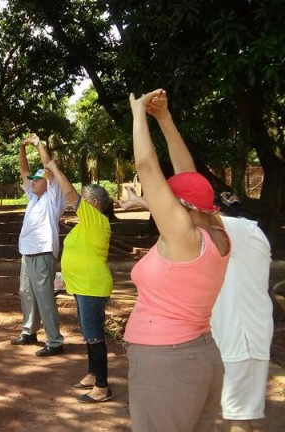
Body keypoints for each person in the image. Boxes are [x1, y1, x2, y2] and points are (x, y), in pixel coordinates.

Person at [125, 89, 230, 431]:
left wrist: (138, 113)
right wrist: (165, 119)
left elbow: (146, 165)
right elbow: (190, 176)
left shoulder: (183, 238)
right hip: (201, 356)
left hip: (167, 361)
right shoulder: (216, 232)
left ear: (180, 207)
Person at [44, 159, 114, 403]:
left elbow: (69, 192)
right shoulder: (87, 223)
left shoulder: (95, 219)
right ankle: (93, 374)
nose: (78, 202)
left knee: (95, 336)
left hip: (92, 287)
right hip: (83, 286)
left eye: (84, 199)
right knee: (88, 333)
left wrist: (53, 168)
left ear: (94, 203)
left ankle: (103, 387)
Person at [211, 194, 273, 432]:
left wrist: (146, 203)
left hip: (243, 339)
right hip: (229, 337)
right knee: (225, 410)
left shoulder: (240, 230)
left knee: (238, 416)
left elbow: (196, 218)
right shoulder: (232, 237)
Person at [10, 133, 67, 356]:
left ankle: (54, 341)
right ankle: (29, 331)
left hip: (43, 251)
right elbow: (24, 171)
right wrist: (22, 148)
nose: (32, 181)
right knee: (26, 292)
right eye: (32, 180)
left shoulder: (54, 197)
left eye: (37, 179)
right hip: (27, 251)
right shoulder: (33, 197)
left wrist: (38, 144)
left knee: (44, 297)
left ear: (47, 182)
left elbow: (48, 167)